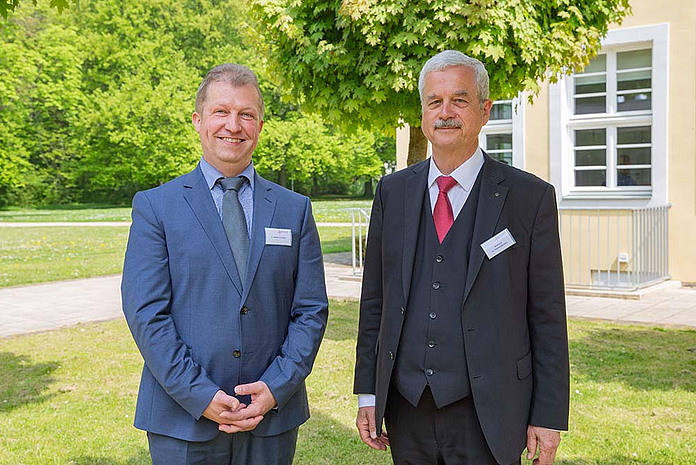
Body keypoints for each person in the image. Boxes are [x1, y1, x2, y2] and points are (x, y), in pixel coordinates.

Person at [354, 50, 570, 465]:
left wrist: (547, 414)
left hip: (492, 410)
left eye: (460, 100)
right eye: (434, 102)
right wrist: (368, 391)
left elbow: (547, 315)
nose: (446, 112)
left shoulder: (529, 198)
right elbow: (375, 301)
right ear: (422, 114)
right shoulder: (392, 192)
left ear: (485, 110)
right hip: (407, 407)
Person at [121, 63, 328, 465]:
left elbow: (311, 311)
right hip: (182, 419)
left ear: (260, 125)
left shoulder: (294, 209)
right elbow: (147, 313)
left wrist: (275, 387)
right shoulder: (156, 207)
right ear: (198, 121)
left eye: (246, 114)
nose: (233, 125)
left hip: (271, 420)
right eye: (221, 112)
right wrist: (199, 394)